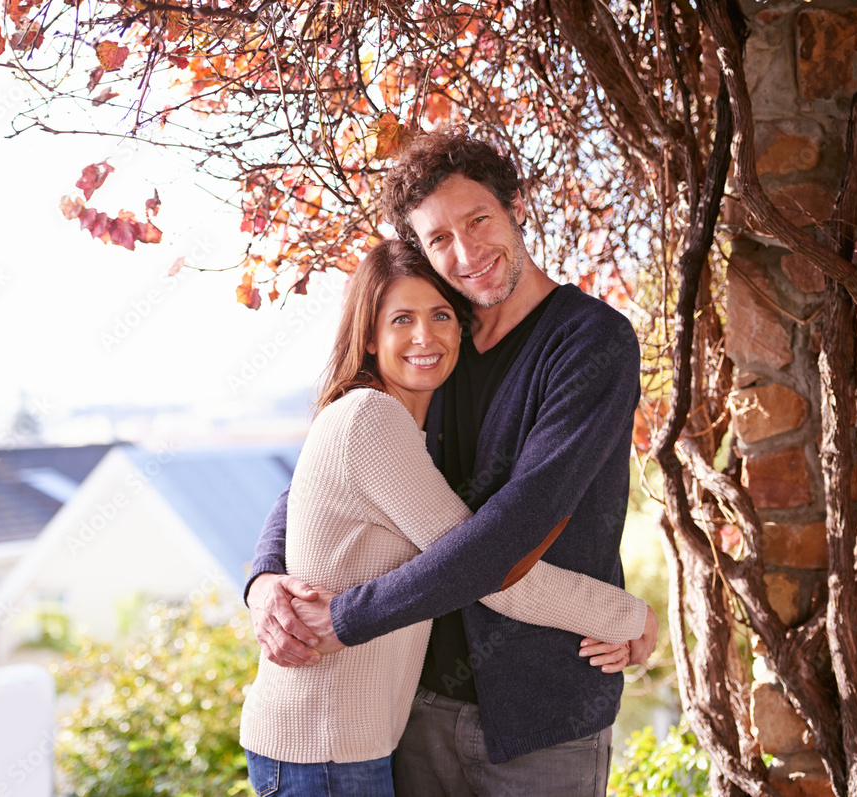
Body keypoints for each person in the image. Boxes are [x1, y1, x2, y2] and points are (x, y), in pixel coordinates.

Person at [247, 129, 658, 796]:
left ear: (516, 206)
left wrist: (346, 614)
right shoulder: (439, 340)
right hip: (417, 712)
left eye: (478, 221)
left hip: (544, 713)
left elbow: (509, 535)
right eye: (440, 240)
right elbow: (329, 470)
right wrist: (266, 579)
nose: (467, 254)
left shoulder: (590, 343)